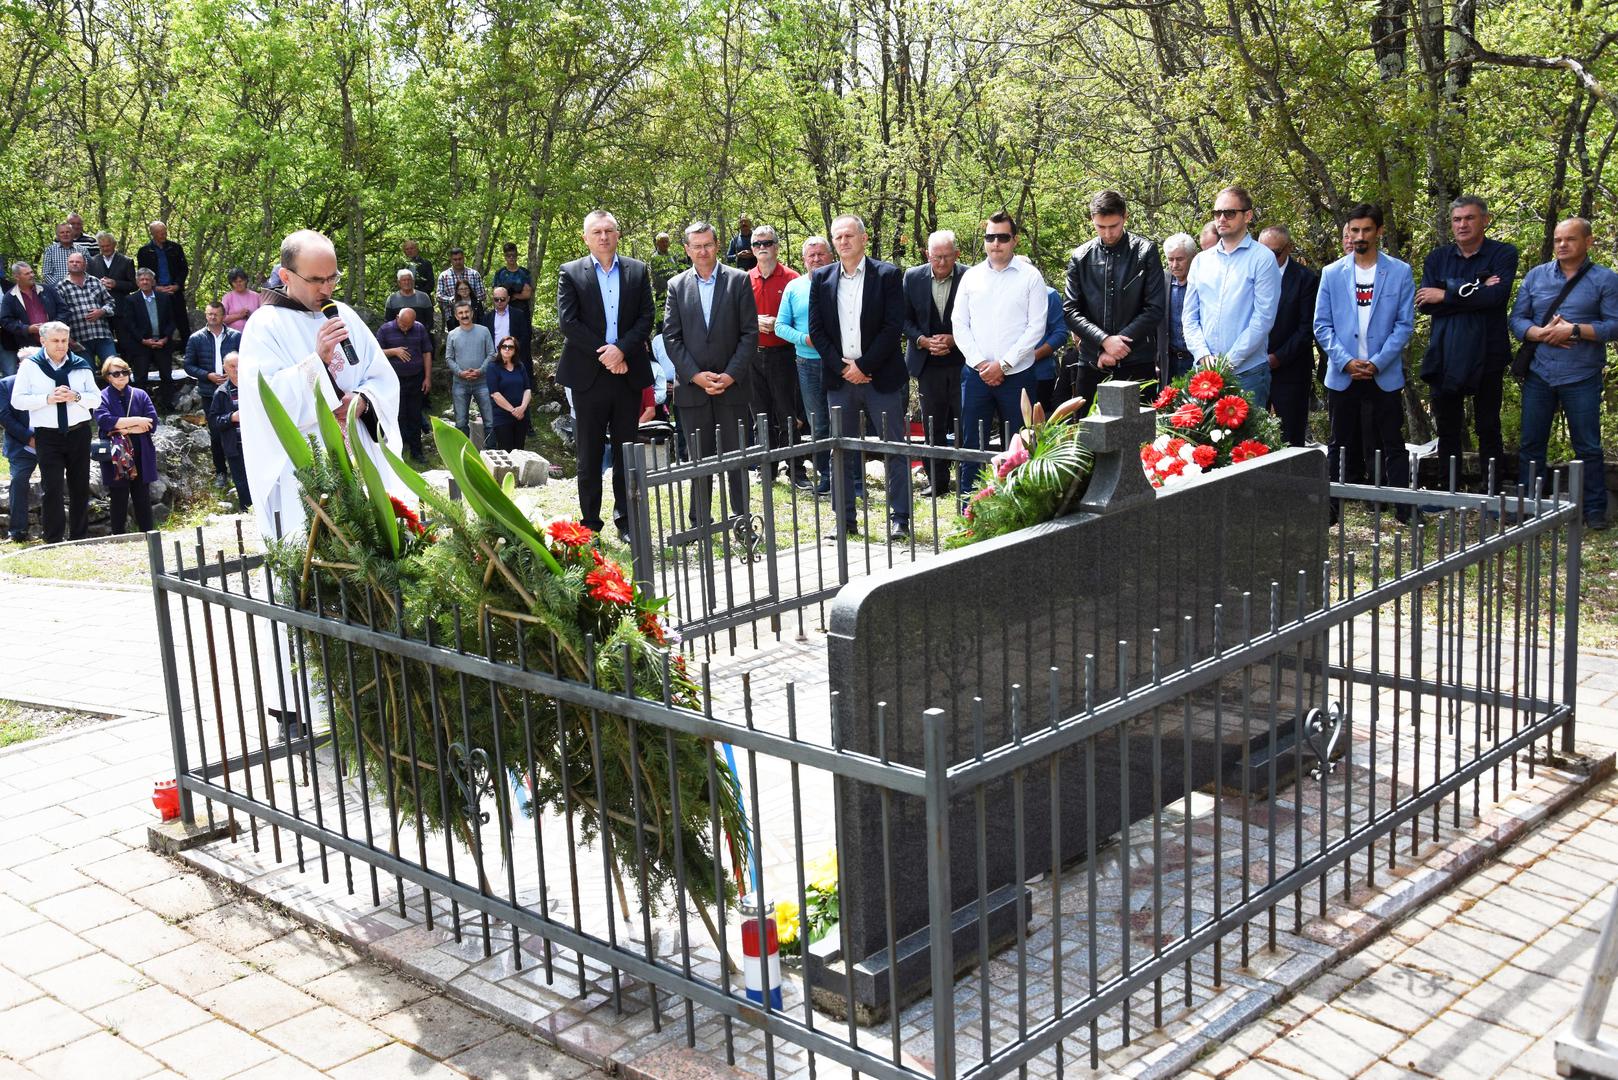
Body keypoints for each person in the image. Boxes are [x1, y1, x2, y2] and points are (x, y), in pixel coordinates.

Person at [238, 228, 405, 544]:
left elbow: (381, 377)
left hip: (358, 448)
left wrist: (363, 400)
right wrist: (317, 362)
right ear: (286, 275)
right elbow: (267, 401)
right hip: (305, 464)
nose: (327, 288)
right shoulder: (264, 325)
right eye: (316, 280)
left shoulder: (345, 315)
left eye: (333, 278)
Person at [1510, 217, 1618, 529]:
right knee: (1531, 443)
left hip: (1581, 374)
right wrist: (1539, 333)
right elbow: (1517, 319)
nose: (1562, 244)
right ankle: (1530, 507)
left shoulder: (1605, 279)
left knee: (1587, 446)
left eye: (1570, 239)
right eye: (1558, 239)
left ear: (1588, 242)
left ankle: (1594, 511)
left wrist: (1574, 330)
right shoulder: (1536, 276)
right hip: (1540, 372)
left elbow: (1614, 325)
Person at [808, 213, 910, 540]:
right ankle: (844, 520)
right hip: (840, 380)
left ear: (863, 239)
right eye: (838, 237)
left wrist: (863, 366)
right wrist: (844, 369)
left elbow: (893, 327)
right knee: (841, 449)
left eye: (849, 236)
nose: (843, 241)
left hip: (880, 377)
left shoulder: (887, 275)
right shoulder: (821, 278)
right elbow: (816, 330)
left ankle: (900, 518)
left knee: (894, 448)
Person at [558, 210, 656, 540]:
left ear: (618, 234)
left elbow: (646, 317)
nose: (603, 236)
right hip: (588, 376)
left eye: (609, 230)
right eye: (596, 231)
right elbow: (569, 323)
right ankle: (590, 524)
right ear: (585, 237)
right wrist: (608, 355)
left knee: (626, 451)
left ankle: (626, 521)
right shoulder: (570, 272)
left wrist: (622, 351)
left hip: (627, 374)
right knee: (589, 455)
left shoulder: (637, 270)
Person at [1313, 203, 1415, 513]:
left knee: (1392, 441)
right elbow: (1322, 324)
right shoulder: (1332, 273)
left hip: (1383, 372)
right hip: (1343, 373)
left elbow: (1404, 324)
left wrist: (1378, 362)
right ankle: (1331, 508)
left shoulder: (1399, 272)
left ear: (1379, 231)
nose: (1360, 236)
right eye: (1354, 230)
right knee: (1338, 442)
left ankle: (1403, 507)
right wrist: (1345, 361)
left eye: (1366, 230)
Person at [1416, 195, 1519, 491]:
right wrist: (1475, 289)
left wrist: (1446, 293)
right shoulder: (1438, 258)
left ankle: (1492, 490)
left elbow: (1496, 297)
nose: (1462, 225)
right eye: (1457, 219)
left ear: (1485, 220)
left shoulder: (1503, 254)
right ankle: (1448, 488)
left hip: (1488, 352)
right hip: (1445, 353)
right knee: (1447, 427)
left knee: (1488, 426)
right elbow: (1425, 303)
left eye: (1469, 218)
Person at [665, 220, 757, 534]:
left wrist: (730, 375)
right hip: (694, 390)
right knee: (698, 461)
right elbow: (671, 338)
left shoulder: (739, 280)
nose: (703, 251)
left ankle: (742, 521)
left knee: (736, 459)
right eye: (696, 246)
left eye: (707, 245)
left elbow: (749, 334)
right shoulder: (676, 285)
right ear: (687, 249)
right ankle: (700, 524)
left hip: (732, 387)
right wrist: (695, 375)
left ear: (717, 245)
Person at [955, 211, 1048, 499]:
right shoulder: (971, 277)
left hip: (1017, 376)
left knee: (1021, 445)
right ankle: (969, 506)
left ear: (1014, 240)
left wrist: (1004, 365)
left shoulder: (1031, 277)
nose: (996, 243)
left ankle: (1020, 504)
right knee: (973, 445)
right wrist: (982, 364)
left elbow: (1036, 327)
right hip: (977, 375)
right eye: (990, 237)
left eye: (1003, 237)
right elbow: (959, 324)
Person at [1063, 190, 1165, 416]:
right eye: (1101, 227)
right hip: (1092, 361)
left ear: (1125, 217)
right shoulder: (1080, 257)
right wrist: (1104, 341)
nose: (1108, 233)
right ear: (1092, 219)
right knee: (1088, 432)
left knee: (1140, 432)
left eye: (1114, 226)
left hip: (1137, 358)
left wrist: (1118, 346)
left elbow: (1155, 308)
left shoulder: (1145, 251)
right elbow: (1070, 310)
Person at [1183, 185, 1281, 401]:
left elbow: (1263, 318)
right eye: (1217, 213)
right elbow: (1189, 317)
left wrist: (1228, 362)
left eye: (1229, 213)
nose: (1221, 219)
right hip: (1204, 371)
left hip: (1247, 374)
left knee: (1250, 426)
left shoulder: (1263, 259)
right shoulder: (1201, 261)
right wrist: (1202, 354)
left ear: (1248, 216)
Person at [9, 322, 98, 542]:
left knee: (80, 486)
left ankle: (79, 537)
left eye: (64, 341)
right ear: (43, 341)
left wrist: (76, 396)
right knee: (52, 487)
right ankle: (53, 539)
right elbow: (17, 400)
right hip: (47, 435)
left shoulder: (80, 364)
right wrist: (46, 399)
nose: (60, 345)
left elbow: (97, 399)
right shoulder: (30, 366)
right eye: (55, 340)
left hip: (78, 432)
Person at [903, 230, 966, 498]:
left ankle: (967, 481)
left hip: (962, 361)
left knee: (965, 423)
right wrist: (922, 341)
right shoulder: (912, 277)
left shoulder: (970, 276)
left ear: (957, 254)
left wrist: (954, 339)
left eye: (947, 257)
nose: (941, 262)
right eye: (936, 257)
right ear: (927, 254)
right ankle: (937, 481)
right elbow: (903, 318)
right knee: (932, 424)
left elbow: (979, 318)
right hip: (927, 363)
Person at [746, 223, 805, 485]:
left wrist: (780, 325)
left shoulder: (792, 278)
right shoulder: (744, 280)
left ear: (777, 247)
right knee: (760, 415)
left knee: (787, 413)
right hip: (753, 356)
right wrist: (754, 321)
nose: (762, 247)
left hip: (784, 353)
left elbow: (802, 318)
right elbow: (736, 318)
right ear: (752, 249)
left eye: (767, 243)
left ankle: (795, 469)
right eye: (757, 244)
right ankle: (765, 468)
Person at [775, 236, 835, 492]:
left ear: (831, 256)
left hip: (840, 362)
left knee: (844, 421)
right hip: (807, 363)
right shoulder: (794, 287)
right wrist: (804, 339)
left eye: (821, 254)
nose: (816, 259)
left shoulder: (841, 281)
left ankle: (848, 477)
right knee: (818, 423)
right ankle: (826, 476)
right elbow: (780, 326)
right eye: (811, 255)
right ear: (804, 260)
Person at [1259, 225, 1322, 446]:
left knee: (1291, 435)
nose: (1269, 259)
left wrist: (1278, 357)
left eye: (1275, 253)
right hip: (1254, 366)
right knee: (1251, 436)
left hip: (1291, 369)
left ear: (1289, 248)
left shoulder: (1305, 278)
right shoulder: (1248, 275)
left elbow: (1307, 328)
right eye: (1263, 252)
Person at [93, 356, 159, 534]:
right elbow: (105, 421)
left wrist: (123, 428)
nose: (121, 376)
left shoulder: (140, 394)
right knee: (118, 496)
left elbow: (152, 422)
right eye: (116, 373)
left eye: (125, 372)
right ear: (108, 377)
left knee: (142, 495)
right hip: (116, 453)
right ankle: (118, 536)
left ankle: (148, 535)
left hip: (140, 449)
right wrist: (137, 422)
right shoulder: (101, 397)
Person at [183, 302, 243, 483]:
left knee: (239, 430)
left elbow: (247, 359)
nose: (212, 317)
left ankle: (242, 470)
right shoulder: (196, 338)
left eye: (216, 314)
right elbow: (188, 365)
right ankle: (221, 472)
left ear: (223, 316)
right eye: (209, 314)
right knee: (216, 432)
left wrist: (233, 374)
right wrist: (207, 375)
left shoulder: (236, 336)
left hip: (236, 389)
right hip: (209, 392)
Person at [375, 305, 432, 463]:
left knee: (415, 415)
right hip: (394, 380)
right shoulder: (385, 330)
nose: (405, 328)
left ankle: (416, 452)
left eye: (409, 325)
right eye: (403, 325)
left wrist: (428, 378)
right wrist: (394, 351)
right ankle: (398, 451)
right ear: (397, 318)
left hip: (416, 378)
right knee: (398, 416)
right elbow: (375, 352)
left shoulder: (419, 328)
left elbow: (427, 353)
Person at [121, 269, 177, 410]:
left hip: (162, 343)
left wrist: (165, 338)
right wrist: (143, 340)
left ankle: (167, 405)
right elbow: (129, 324)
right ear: (137, 282)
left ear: (153, 282)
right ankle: (141, 407)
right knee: (140, 378)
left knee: (166, 375)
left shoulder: (164, 298)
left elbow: (172, 320)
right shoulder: (131, 300)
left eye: (148, 279)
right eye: (142, 279)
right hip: (141, 345)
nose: (145, 282)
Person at [53, 252, 119, 366]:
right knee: (86, 371)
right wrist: (67, 338)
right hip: (79, 338)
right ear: (67, 264)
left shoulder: (95, 281)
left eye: (78, 262)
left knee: (114, 367)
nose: (74, 264)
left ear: (85, 265)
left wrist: (102, 311)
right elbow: (59, 315)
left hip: (102, 334)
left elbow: (111, 302)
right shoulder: (61, 286)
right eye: (71, 262)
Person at [445, 301, 496, 448]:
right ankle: (464, 453)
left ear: (472, 313)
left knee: (490, 421)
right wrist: (460, 372)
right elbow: (449, 358)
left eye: (466, 312)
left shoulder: (484, 331)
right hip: (460, 383)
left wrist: (480, 370)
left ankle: (491, 452)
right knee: (461, 422)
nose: (464, 315)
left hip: (482, 382)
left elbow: (491, 354)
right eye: (460, 313)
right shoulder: (452, 334)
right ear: (456, 316)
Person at [1, 263, 62, 379]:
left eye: (32, 272)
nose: (32, 275)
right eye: (27, 274)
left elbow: (64, 310)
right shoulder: (10, 297)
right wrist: (27, 329)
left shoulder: (47, 290)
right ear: (17, 277)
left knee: (59, 374)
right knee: (36, 377)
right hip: (29, 346)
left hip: (55, 342)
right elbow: (6, 321)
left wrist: (53, 326)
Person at [208, 352, 250, 509]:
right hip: (236, 445)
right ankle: (247, 512)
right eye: (232, 366)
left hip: (257, 443)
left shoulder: (252, 386)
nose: (237, 369)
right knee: (242, 481)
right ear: (225, 369)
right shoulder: (221, 392)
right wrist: (231, 417)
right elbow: (213, 421)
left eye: (239, 365)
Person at [137, 221, 190, 339]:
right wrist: (154, 287)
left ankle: (186, 347)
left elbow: (184, 269)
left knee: (182, 322)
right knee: (160, 322)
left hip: (174, 291)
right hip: (155, 292)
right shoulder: (144, 251)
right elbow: (142, 272)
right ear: (153, 234)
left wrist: (177, 285)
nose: (163, 235)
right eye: (160, 233)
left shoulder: (175, 248)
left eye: (165, 232)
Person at [1157, 232, 1197, 384]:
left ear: (1193, 257)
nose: (1174, 265)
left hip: (1196, 360)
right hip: (1170, 362)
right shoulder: (1161, 282)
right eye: (1170, 259)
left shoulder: (1203, 282)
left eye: (1180, 259)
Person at [0, 371, 35, 541]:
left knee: (53, 483)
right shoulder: (6, 384)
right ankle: (17, 532)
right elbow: (4, 416)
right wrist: (29, 438)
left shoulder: (52, 380)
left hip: (52, 443)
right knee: (19, 481)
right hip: (21, 445)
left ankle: (53, 530)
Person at [486, 335, 532, 451]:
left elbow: (527, 389)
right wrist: (513, 410)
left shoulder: (520, 366)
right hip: (502, 417)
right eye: (504, 346)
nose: (507, 349)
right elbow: (495, 394)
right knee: (506, 451)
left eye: (510, 347)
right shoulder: (492, 367)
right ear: (499, 348)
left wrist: (522, 408)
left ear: (515, 350)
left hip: (522, 415)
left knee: (519, 451)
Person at [1033, 286, 1070, 412]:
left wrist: (1034, 356)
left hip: (1040, 374)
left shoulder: (1049, 294)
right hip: (1001, 374)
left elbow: (1061, 333)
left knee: (1038, 421)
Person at [481, 286, 533, 375]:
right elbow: (484, 339)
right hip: (494, 359)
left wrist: (513, 351)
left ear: (508, 299)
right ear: (493, 299)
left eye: (502, 299)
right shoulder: (487, 317)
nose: (499, 302)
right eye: (496, 299)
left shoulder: (518, 314)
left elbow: (525, 335)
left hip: (515, 358)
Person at [436, 247, 484, 324]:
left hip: (474, 315)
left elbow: (482, 294)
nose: (458, 262)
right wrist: (452, 299)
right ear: (451, 260)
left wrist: (469, 297)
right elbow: (439, 296)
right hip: (452, 316)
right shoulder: (444, 276)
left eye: (460, 259)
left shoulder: (474, 274)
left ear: (464, 258)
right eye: (455, 259)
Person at [648, 231, 688, 322]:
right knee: (663, 319)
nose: (665, 244)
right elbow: (656, 278)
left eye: (666, 241)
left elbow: (677, 270)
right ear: (657, 243)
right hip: (662, 293)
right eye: (662, 242)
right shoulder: (655, 258)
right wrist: (670, 286)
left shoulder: (672, 255)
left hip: (675, 292)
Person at [89, 232, 138, 302]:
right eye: (102, 246)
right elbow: (87, 284)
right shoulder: (92, 261)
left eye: (108, 246)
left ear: (114, 244)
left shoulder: (127, 261)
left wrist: (116, 284)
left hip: (121, 304)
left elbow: (134, 285)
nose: (105, 249)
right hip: (99, 304)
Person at [491, 242, 534, 312]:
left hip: (521, 309)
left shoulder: (524, 272)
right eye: (508, 255)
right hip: (503, 309)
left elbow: (527, 294)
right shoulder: (500, 273)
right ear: (505, 257)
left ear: (517, 256)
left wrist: (513, 295)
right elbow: (496, 294)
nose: (511, 257)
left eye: (513, 255)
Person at [220, 267, 262, 333]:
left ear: (245, 280)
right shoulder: (227, 297)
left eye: (240, 281)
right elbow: (221, 318)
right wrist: (239, 315)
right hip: (233, 335)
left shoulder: (256, 296)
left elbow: (263, 316)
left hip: (254, 333)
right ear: (231, 283)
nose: (238, 284)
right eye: (235, 282)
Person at [40, 222, 78, 287]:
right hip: (57, 289)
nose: (65, 234)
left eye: (68, 232)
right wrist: (61, 285)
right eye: (62, 232)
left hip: (79, 288)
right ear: (57, 236)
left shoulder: (81, 250)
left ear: (73, 234)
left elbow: (88, 271)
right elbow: (46, 274)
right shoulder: (50, 250)